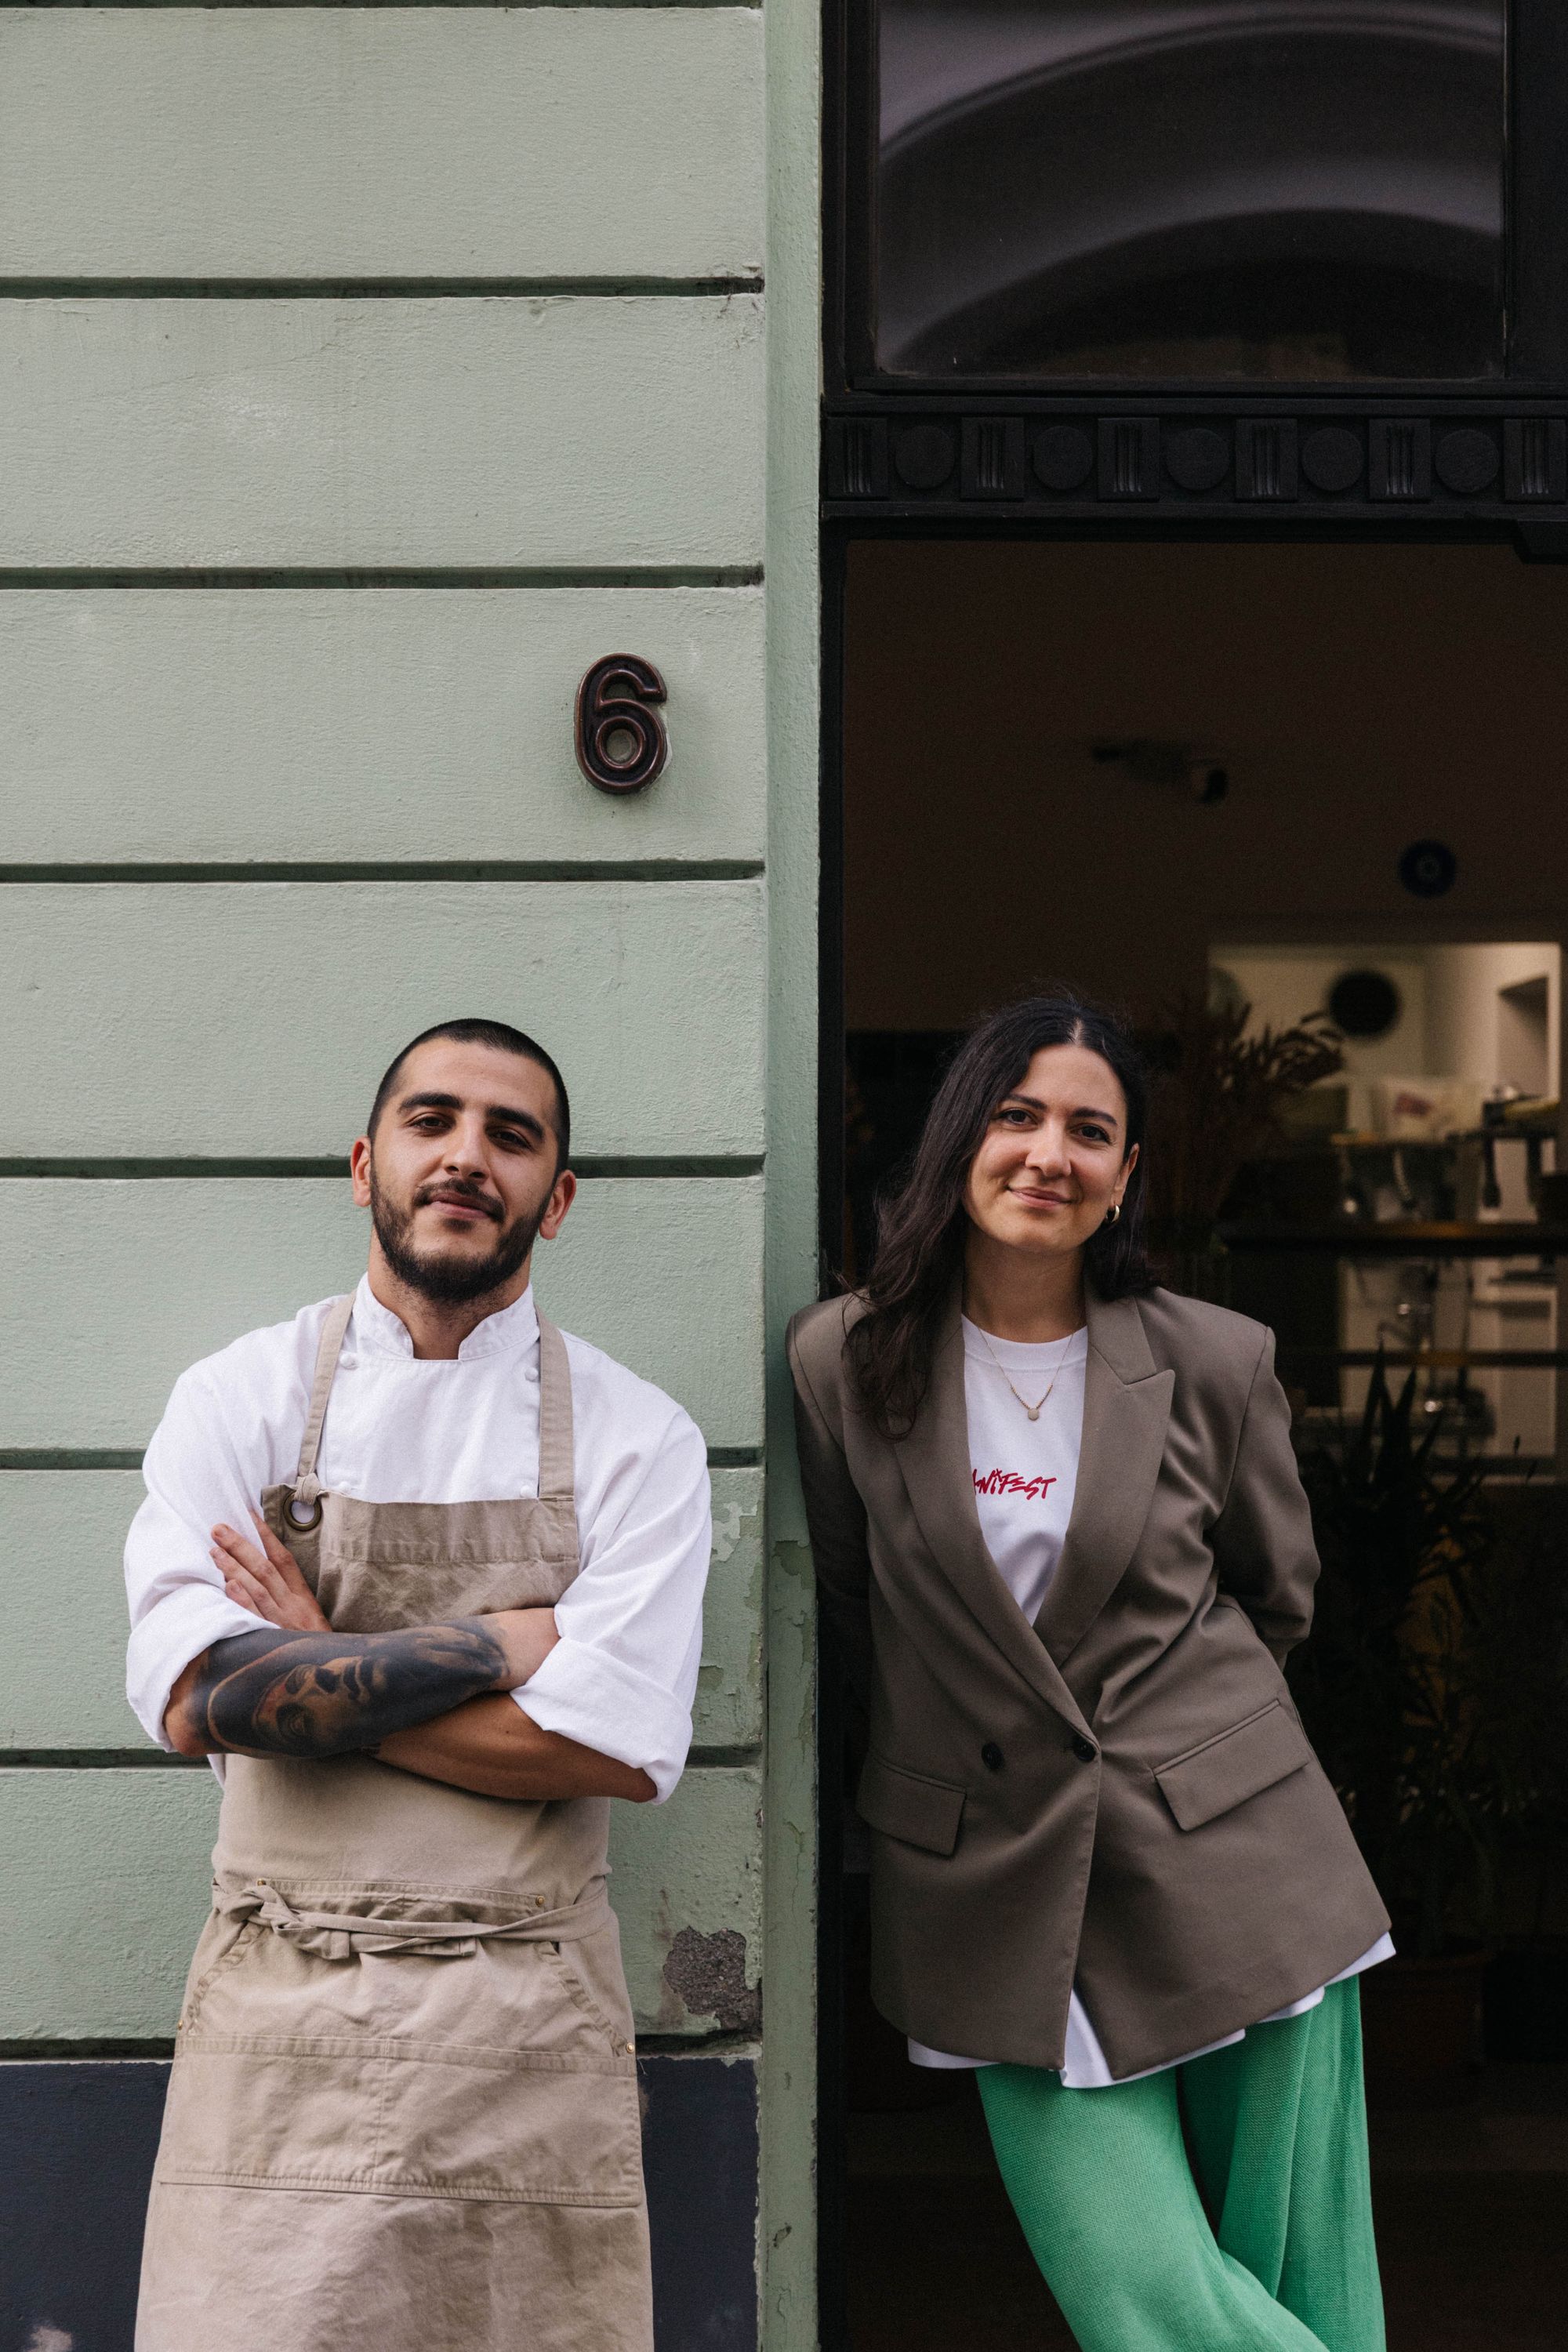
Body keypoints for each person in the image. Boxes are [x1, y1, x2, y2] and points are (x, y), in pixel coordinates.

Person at [789, 993, 1392, 2352]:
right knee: (1145, 2299)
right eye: (1017, 1116)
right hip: (990, 1884)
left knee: (1301, 2276)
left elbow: (1275, 1596)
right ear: (960, 1139)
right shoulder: (844, 1360)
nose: (1048, 1154)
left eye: (1089, 1130)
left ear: (1125, 1177)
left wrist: (1174, 1747)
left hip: (1239, 1864)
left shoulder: (1214, 1359)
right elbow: (850, 1603)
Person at [125, 1017, 711, 2352]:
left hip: (526, 2027)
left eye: (512, 1136)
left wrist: (313, 1666)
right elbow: (198, 1699)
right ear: (364, 1165)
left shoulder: (639, 1439)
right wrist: (505, 1646)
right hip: (281, 2014)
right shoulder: (238, 1397)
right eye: (431, 1121)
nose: (466, 1157)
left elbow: (617, 1752)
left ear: (556, 1199)